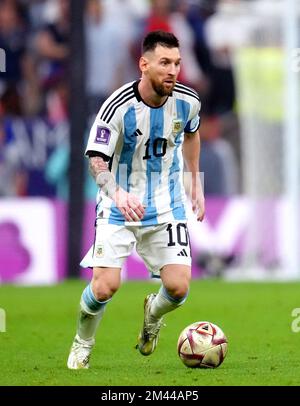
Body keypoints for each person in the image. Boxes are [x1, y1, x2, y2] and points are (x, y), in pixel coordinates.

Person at [67, 30, 205, 369]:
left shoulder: (188, 100)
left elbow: (191, 132)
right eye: (164, 63)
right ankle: (82, 345)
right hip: (119, 206)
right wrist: (116, 192)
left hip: (166, 204)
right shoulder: (116, 107)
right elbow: (96, 161)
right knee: (104, 288)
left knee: (178, 288)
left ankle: (152, 316)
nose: (172, 70)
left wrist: (193, 179)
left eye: (176, 63)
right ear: (144, 64)